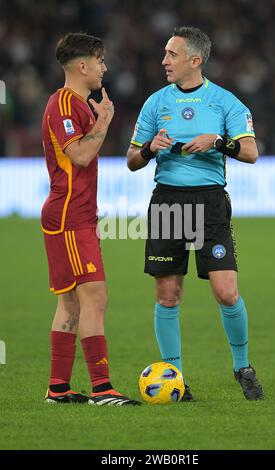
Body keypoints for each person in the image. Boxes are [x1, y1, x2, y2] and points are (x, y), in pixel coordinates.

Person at [127, 26, 264, 401]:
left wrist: (218, 142)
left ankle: (243, 367)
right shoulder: (155, 103)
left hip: (210, 203)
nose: (164, 61)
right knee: (168, 296)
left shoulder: (225, 102)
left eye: (171, 54)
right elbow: (131, 161)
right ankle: (177, 378)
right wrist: (151, 149)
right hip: (168, 201)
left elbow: (251, 152)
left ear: (194, 60)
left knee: (226, 292)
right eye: (165, 54)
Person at [42, 32, 140, 406]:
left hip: (75, 214)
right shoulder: (65, 104)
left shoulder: (76, 104)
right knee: (95, 297)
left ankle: (58, 388)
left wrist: (98, 118)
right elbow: (80, 156)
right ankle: (102, 389)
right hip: (70, 217)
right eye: (100, 60)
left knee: (71, 303)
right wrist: (105, 121)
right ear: (82, 66)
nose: (105, 67)